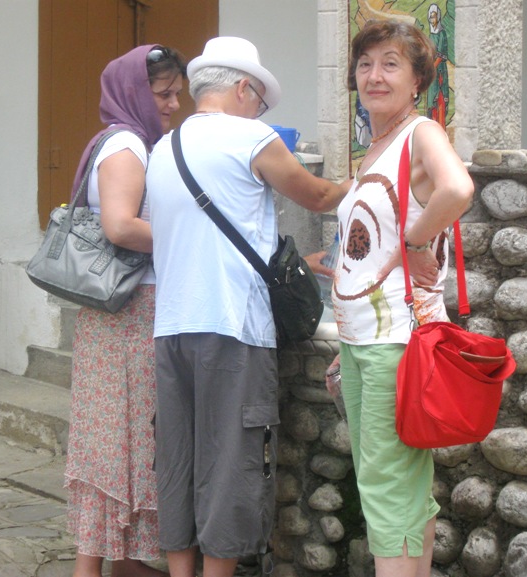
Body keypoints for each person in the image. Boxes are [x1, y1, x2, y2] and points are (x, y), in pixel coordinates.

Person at [145, 37, 347, 577]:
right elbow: (318, 197)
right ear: (242, 88)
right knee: (232, 461)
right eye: (258, 100)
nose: (259, 111)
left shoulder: (164, 147)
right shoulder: (251, 136)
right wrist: (364, 182)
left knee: (178, 458)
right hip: (232, 327)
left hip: (172, 328)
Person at [330, 20, 474, 577]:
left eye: (391, 63)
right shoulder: (376, 146)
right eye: (366, 63)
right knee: (402, 485)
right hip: (365, 340)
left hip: (394, 342)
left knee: (385, 486)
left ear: (418, 80)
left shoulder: (421, 133)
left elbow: (457, 188)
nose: (374, 75)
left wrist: (415, 243)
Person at [62, 45, 186, 577]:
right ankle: (100, 567)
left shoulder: (123, 141)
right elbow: (120, 225)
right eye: (163, 94)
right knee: (124, 441)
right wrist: (190, 238)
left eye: (177, 93)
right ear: (135, 92)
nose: (174, 104)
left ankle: (118, 562)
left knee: (114, 442)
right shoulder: (128, 145)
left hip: (118, 313)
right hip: (133, 311)